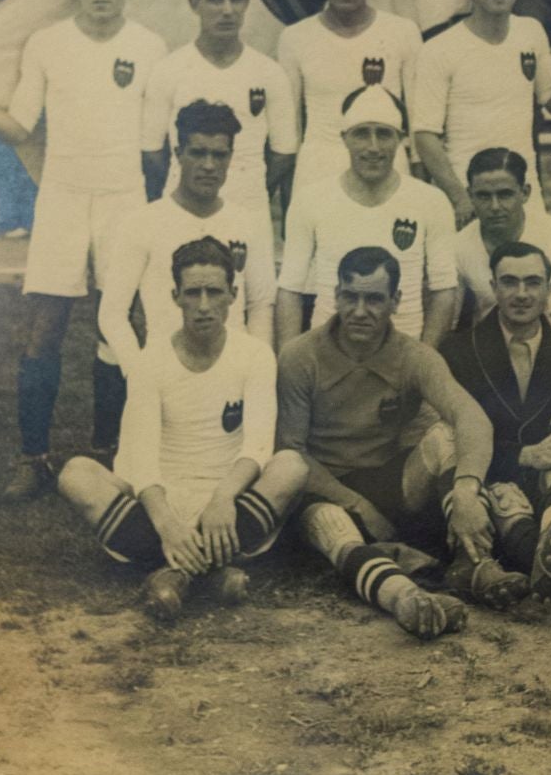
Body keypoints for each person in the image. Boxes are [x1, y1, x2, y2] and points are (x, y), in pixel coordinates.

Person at [0, 0, 166, 498]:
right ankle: (33, 459)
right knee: (45, 328)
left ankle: (109, 454)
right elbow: (19, 126)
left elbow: (156, 143)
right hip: (62, 196)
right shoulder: (48, 43)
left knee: (118, 325)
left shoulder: (151, 47)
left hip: (124, 198)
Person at [59, 237, 307, 622]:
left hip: (229, 505)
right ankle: (211, 574)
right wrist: (167, 523)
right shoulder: (150, 360)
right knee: (76, 474)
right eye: (193, 293)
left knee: (292, 466)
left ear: (233, 295)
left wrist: (223, 497)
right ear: (176, 296)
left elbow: (258, 445)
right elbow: (140, 456)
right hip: (162, 501)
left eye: (214, 292)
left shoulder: (255, 355)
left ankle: (172, 574)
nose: (204, 306)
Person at [276, 245, 493, 641]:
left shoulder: (413, 355)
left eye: (374, 299)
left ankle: (474, 565)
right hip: (323, 486)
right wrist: (355, 504)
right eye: (350, 296)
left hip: (386, 480)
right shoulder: (300, 355)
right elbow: (292, 452)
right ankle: (405, 597)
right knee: (333, 524)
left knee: (445, 436)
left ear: (395, 301)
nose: (360, 311)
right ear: (335, 295)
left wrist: (466, 490)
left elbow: (470, 416)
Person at [439, 241, 551, 628]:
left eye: (533, 282)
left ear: (550, 288)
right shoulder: (458, 353)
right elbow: (451, 444)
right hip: (488, 487)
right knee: (506, 498)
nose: (521, 294)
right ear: (493, 287)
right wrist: (525, 454)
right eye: (510, 282)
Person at [100, 99, 277, 375]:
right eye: (198, 153)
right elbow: (112, 314)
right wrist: (139, 374)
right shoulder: (142, 223)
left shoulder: (247, 222)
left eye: (219, 155)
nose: (209, 165)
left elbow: (260, 305)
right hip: (166, 374)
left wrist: (256, 369)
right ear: (178, 154)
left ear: (231, 157)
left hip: (232, 373)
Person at [276, 83, 456, 347]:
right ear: (344, 138)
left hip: (402, 354)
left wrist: (422, 360)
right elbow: (290, 290)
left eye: (383, 134)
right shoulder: (310, 199)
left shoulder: (431, 201)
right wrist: (290, 363)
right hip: (329, 353)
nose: (373, 147)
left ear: (401, 139)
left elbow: (444, 291)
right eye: (362, 134)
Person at [140, 0, 297, 238]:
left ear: (247, 3)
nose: (227, 10)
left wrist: (250, 187)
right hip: (183, 208)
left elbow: (283, 152)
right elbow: (152, 153)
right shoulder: (168, 70)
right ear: (194, 4)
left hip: (248, 208)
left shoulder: (269, 73)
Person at [414, 0, 551, 226]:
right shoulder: (439, 49)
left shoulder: (531, 32)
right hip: (468, 196)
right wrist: (460, 198)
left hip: (522, 190)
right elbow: (424, 135)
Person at [277, 0, 422, 191]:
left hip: (387, 169)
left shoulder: (403, 32)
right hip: (319, 169)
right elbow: (290, 131)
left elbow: (416, 122)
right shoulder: (295, 37)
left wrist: (419, 186)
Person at [454, 148, 551, 342]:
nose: (495, 206)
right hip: (489, 353)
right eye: (484, 196)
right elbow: (449, 323)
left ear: (525, 193)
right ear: (470, 195)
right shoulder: (459, 245)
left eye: (504, 195)